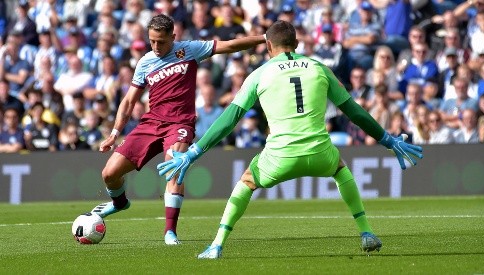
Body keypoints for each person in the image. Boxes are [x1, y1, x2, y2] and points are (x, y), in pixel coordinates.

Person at [156, 20, 423, 259]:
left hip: (279, 157)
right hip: (320, 153)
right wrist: (388, 140)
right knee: (341, 169)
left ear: (268, 45)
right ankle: (366, 232)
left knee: (247, 182)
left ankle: (217, 244)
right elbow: (354, 111)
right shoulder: (320, 67)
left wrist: (193, 152)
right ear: (296, 43)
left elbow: (229, 119)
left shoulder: (259, 74)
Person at [89, 14, 266, 246]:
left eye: (161, 41)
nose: (156, 47)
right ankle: (120, 203)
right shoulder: (145, 62)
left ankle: (169, 232)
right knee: (109, 174)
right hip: (150, 124)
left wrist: (264, 37)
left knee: (175, 165)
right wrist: (114, 133)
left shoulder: (190, 50)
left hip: (180, 124)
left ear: (173, 36)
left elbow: (230, 45)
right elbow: (129, 101)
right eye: (151, 41)